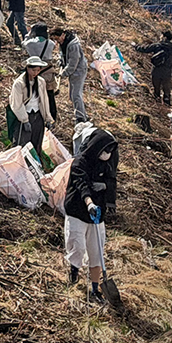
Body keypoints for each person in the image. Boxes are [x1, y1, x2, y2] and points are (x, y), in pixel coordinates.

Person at [63, 127, 119, 303]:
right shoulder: (80, 163)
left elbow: (111, 181)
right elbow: (81, 184)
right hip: (78, 210)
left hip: (97, 215)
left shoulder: (107, 165)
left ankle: (95, 288)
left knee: (97, 251)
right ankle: (73, 273)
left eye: (110, 152)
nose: (107, 154)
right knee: (78, 246)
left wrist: (108, 197)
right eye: (105, 150)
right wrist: (89, 202)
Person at [7, 56, 56, 153]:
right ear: (27, 68)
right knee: (22, 145)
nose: (35, 73)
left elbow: (44, 101)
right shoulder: (19, 83)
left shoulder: (41, 82)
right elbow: (17, 104)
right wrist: (24, 120)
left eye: (38, 70)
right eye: (33, 70)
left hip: (38, 115)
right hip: (24, 115)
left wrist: (48, 119)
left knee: (36, 143)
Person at [136, 32, 172, 105]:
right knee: (167, 93)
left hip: (156, 71)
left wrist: (136, 47)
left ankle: (157, 104)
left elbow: (145, 49)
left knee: (156, 91)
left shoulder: (157, 46)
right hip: (167, 73)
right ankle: (167, 106)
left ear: (164, 37)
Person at [58, 29, 89, 123]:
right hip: (73, 72)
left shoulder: (73, 45)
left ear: (63, 35)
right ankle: (83, 114)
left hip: (78, 71)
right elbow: (62, 55)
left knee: (76, 95)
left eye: (57, 38)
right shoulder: (62, 43)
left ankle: (80, 118)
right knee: (72, 96)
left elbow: (73, 63)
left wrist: (64, 73)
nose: (57, 41)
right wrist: (61, 61)